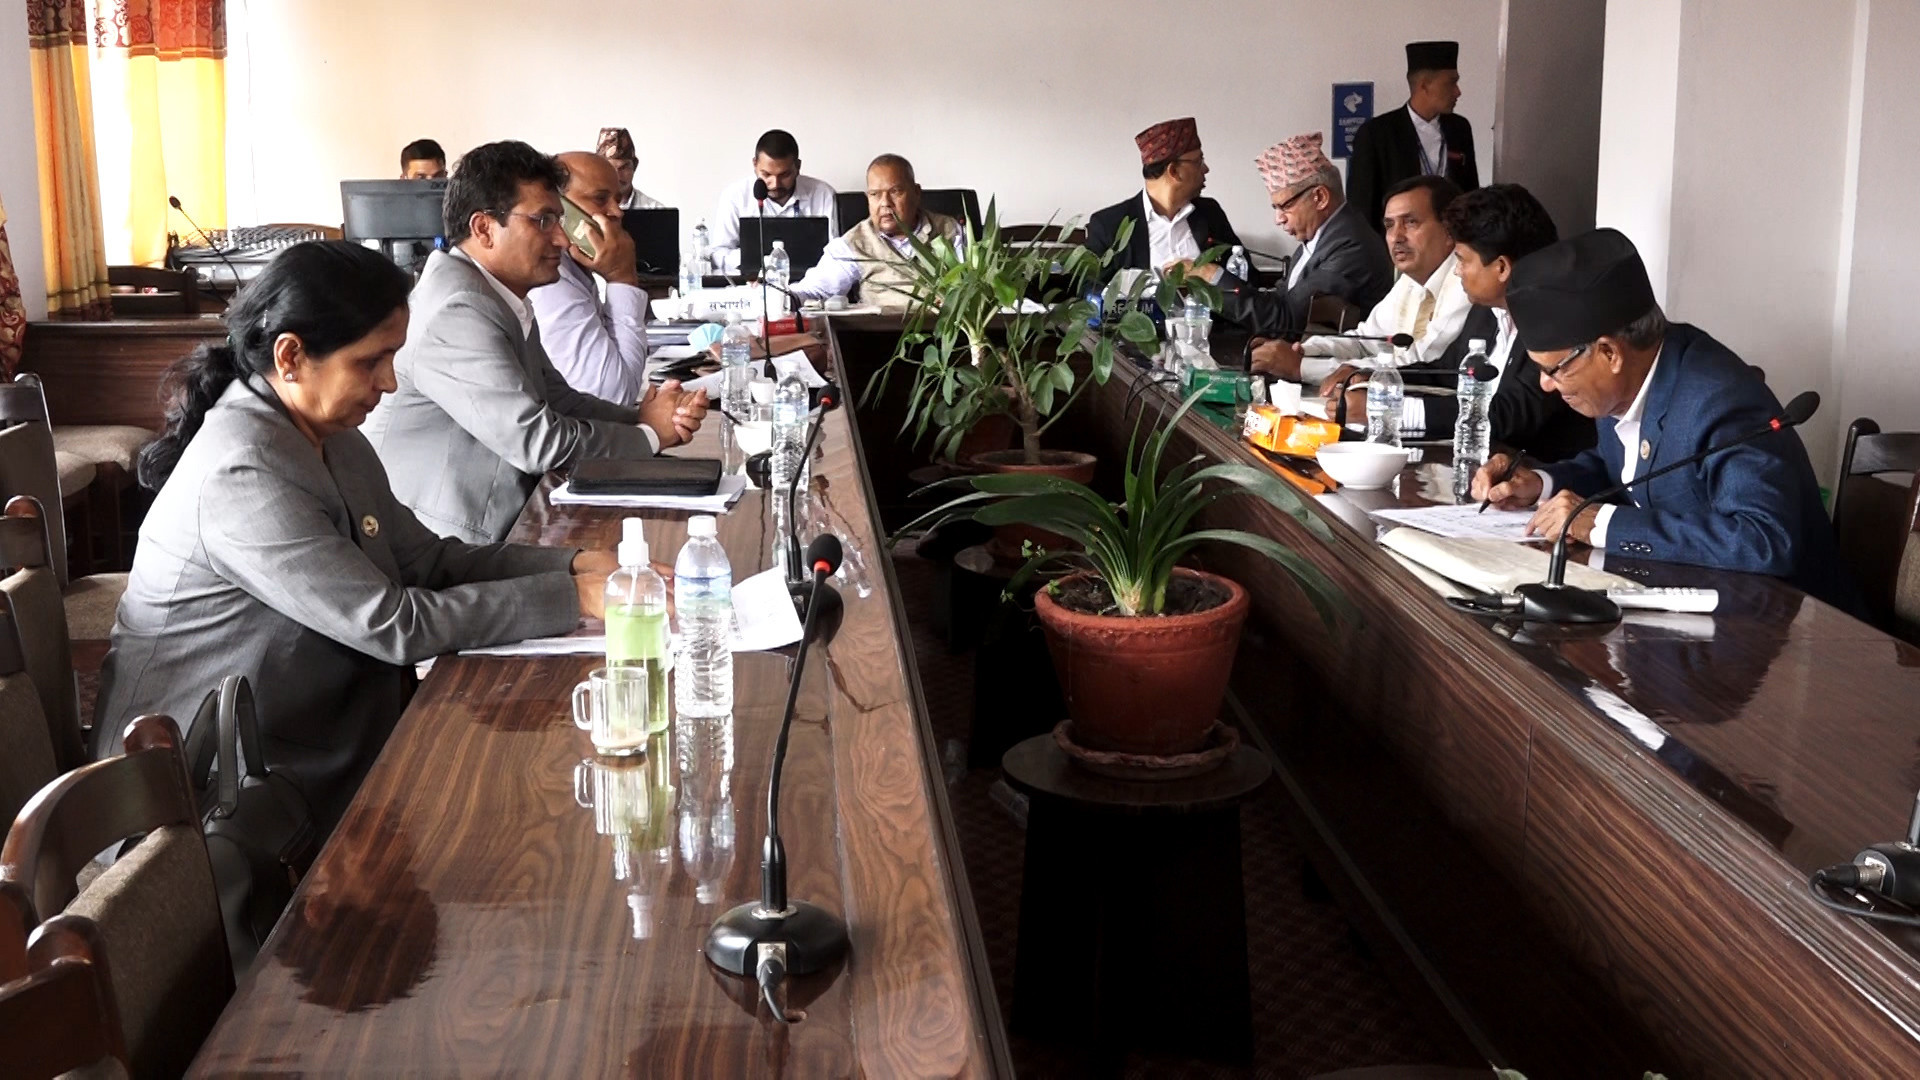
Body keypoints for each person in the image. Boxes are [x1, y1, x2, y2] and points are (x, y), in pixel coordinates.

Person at [93, 241, 617, 833]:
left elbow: (426, 560)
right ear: (291, 356)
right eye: (372, 361)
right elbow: (391, 624)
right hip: (206, 793)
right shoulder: (243, 470)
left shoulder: (331, 436)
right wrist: (574, 599)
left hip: (303, 735)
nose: (390, 382)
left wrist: (573, 565)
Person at [1474, 228, 1859, 611]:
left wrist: (1605, 525)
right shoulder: (1632, 376)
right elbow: (1622, 470)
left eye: (1553, 370)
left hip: (1789, 627)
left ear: (1609, 353)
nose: (1545, 385)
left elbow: (1765, 540)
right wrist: (1540, 483)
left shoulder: (1719, 400)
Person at [362, 141, 707, 544]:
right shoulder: (458, 308)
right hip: (452, 542)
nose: (561, 239)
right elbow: (536, 441)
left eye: (559, 220)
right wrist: (650, 435)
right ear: (483, 229)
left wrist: (640, 418)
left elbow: (558, 399)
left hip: (509, 514)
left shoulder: (498, 292)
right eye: (543, 221)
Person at [1341, 183, 1595, 461]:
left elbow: (1511, 415)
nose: (1457, 271)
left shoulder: (1557, 320)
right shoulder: (1486, 311)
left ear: (1501, 267)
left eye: (1462, 260)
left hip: (1537, 473)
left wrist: (1394, 411)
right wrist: (1375, 381)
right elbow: (1445, 371)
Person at [1252, 175, 1468, 389]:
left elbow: (1420, 362)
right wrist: (1304, 350)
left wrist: (1302, 367)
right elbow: (1366, 340)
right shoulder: (1410, 281)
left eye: (1411, 222)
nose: (1396, 237)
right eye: (1389, 225)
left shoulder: (1464, 282)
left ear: (1449, 230)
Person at [1182, 132, 1392, 338]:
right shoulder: (1320, 237)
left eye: (1284, 206)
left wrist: (1213, 277)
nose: (1278, 219)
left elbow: (1287, 321)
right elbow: (1283, 299)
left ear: (1320, 197)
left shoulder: (1350, 246)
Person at [528, 151, 651, 404]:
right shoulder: (551, 281)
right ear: (559, 207)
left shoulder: (573, 266)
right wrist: (623, 278)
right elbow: (614, 397)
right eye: (600, 199)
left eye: (617, 200)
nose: (617, 212)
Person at [788, 154, 964, 309]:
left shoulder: (950, 230)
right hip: (878, 332)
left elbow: (971, 283)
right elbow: (814, 290)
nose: (885, 203)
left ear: (916, 193)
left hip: (940, 331)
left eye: (895, 192)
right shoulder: (855, 242)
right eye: (875, 194)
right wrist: (782, 297)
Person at [1347, 41, 1480, 235]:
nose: (1458, 91)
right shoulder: (1377, 134)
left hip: (1451, 242)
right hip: (1399, 245)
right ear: (1424, 86)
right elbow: (1362, 210)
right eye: (1451, 82)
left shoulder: (1459, 128)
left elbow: (1471, 196)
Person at [1087, 117, 1241, 280]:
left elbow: (1248, 278)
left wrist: (1208, 272)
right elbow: (1090, 289)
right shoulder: (1109, 226)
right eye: (1198, 162)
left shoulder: (1210, 214)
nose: (1206, 169)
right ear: (1174, 171)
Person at [708, 129, 838, 274]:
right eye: (766, 174)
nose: (775, 183)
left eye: (784, 175)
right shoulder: (735, 196)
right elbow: (718, 253)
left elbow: (839, 253)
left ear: (798, 166)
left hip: (812, 280)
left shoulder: (824, 195)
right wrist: (752, 259)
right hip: (751, 282)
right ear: (755, 165)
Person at [595, 127, 665, 210]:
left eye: (623, 168)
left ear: (634, 166)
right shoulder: (588, 209)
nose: (617, 176)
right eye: (611, 168)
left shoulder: (655, 210)